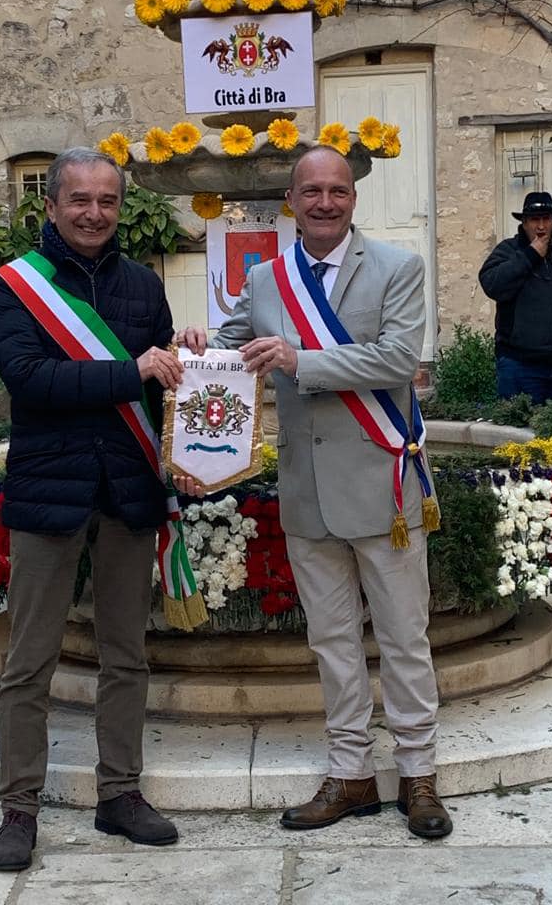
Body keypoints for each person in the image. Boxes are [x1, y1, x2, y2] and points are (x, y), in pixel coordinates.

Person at [177, 146, 453, 839]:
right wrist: (191, 345)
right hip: (307, 490)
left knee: (403, 638)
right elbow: (229, 347)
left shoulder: (397, 268)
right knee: (331, 642)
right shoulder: (267, 277)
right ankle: (351, 773)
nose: (325, 201)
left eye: (337, 190)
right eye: (312, 191)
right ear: (293, 200)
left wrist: (303, 360)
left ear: (352, 198)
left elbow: (398, 358)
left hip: (384, 481)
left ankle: (419, 773)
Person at [0, 147, 189, 873]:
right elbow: (29, 378)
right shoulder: (16, 285)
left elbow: (161, 390)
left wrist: (187, 360)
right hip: (50, 491)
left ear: (119, 206)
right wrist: (130, 370)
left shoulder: (141, 284)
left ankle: (120, 793)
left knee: (126, 656)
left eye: (106, 200)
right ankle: (18, 807)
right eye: (79, 199)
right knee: (29, 661)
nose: (94, 213)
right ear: (52, 205)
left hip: (128, 490)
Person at [478, 191, 552, 408]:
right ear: (524, 222)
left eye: (546, 219)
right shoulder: (508, 250)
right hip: (519, 365)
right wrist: (531, 254)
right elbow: (492, 284)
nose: (541, 226)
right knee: (517, 433)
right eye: (535, 220)